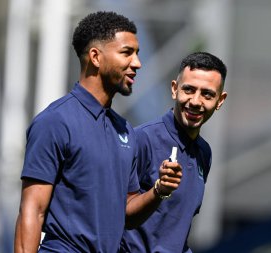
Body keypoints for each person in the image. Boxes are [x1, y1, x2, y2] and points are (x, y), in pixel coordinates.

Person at [14, 11, 182, 253]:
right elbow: (32, 210)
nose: (137, 63)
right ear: (95, 56)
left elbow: (127, 213)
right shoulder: (55, 121)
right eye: (127, 53)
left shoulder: (124, 130)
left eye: (137, 54)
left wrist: (159, 191)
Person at [120, 52, 228, 252]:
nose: (196, 101)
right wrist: (159, 191)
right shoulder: (142, 140)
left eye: (207, 94)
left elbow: (176, 230)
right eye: (189, 89)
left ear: (220, 100)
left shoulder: (204, 152)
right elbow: (120, 215)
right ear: (174, 89)